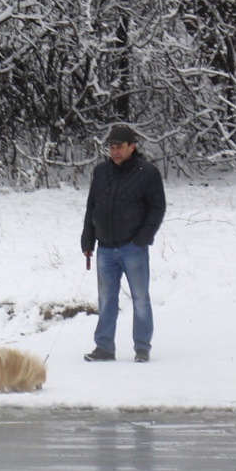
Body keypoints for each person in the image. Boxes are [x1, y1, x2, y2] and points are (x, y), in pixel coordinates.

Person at [80, 121, 166, 363]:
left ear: (132, 147)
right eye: (111, 147)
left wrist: (143, 238)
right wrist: (88, 239)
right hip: (105, 248)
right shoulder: (100, 172)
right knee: (106, 299)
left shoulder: (147, 173)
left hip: (133, 248)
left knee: (140, 298)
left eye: (119, 146)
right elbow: (92, 207)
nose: (114, 151)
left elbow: (157, 208)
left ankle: (142, 347)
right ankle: (104, 348)